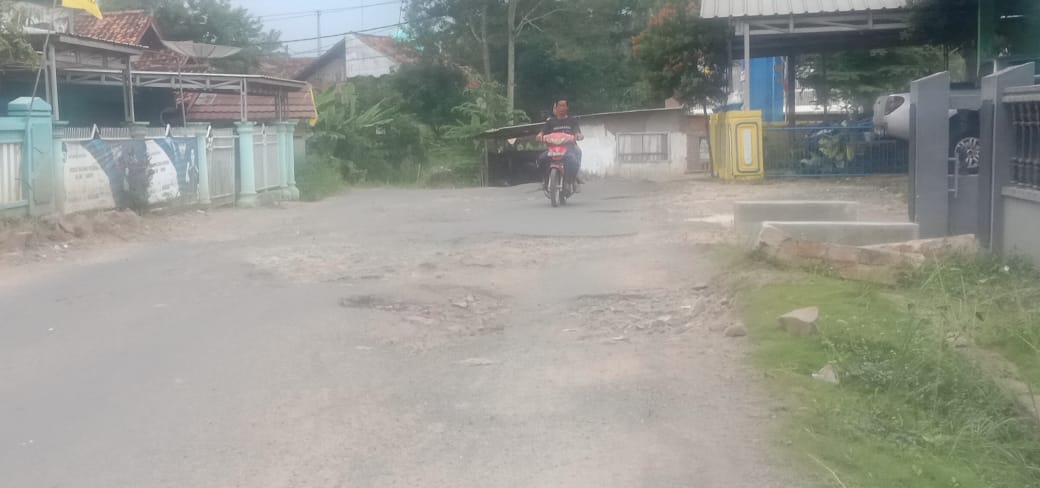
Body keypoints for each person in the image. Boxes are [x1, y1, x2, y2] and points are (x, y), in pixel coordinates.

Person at [536, 99, 584, 191]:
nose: (562, 108)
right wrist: (540, 135)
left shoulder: (572, 120)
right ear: (556, 108)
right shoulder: (550, 121)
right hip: (553, 149)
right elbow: (543, 132)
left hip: (569, 148)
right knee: (541, 159)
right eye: (559, 106)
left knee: (574, 159)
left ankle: (573, 180)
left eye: (564, 106)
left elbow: (577, 131)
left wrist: (578, 135)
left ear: (567, 108)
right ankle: (545, 180)